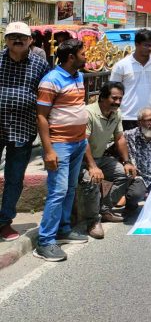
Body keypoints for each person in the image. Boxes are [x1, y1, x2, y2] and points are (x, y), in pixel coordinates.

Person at [34, 39, 89, 262]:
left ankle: (64, 229)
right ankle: (45, 241)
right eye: (83, 53)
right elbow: (41, 116)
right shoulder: (51, 81)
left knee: (70, 188)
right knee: (57, 191)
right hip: (60, 144)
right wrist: (48, 150)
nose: (87, 57)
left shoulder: (79, 76)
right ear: (71, 57)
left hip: (78, 142)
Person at [0, 22, 49, 241]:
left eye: (22, 37)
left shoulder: (40, 64)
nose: (17, 40)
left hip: (24, 128)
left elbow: (47, 94)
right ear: (6, 40)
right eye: (13, 36)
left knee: (14, 177)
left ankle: (4, 222)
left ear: (30, 40)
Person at [78, 82, 138, 239]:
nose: (118, 102)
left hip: (100, 158)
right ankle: (93, 221)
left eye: (120, 99)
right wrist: (92, 166)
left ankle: (105, 210)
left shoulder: (116, 114)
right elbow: (83, 141)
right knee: (91, 181)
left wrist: (127, 162)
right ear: (103, 97)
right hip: (82, 160)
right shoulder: (88, 113)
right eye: (114, 98)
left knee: (124, 174)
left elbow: (120, 138)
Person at [109, 28, 151, 131]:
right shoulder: (121, 65)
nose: (150, 48)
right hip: (128, 116)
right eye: (146, 45)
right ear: (137, 44)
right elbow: (113, 91)